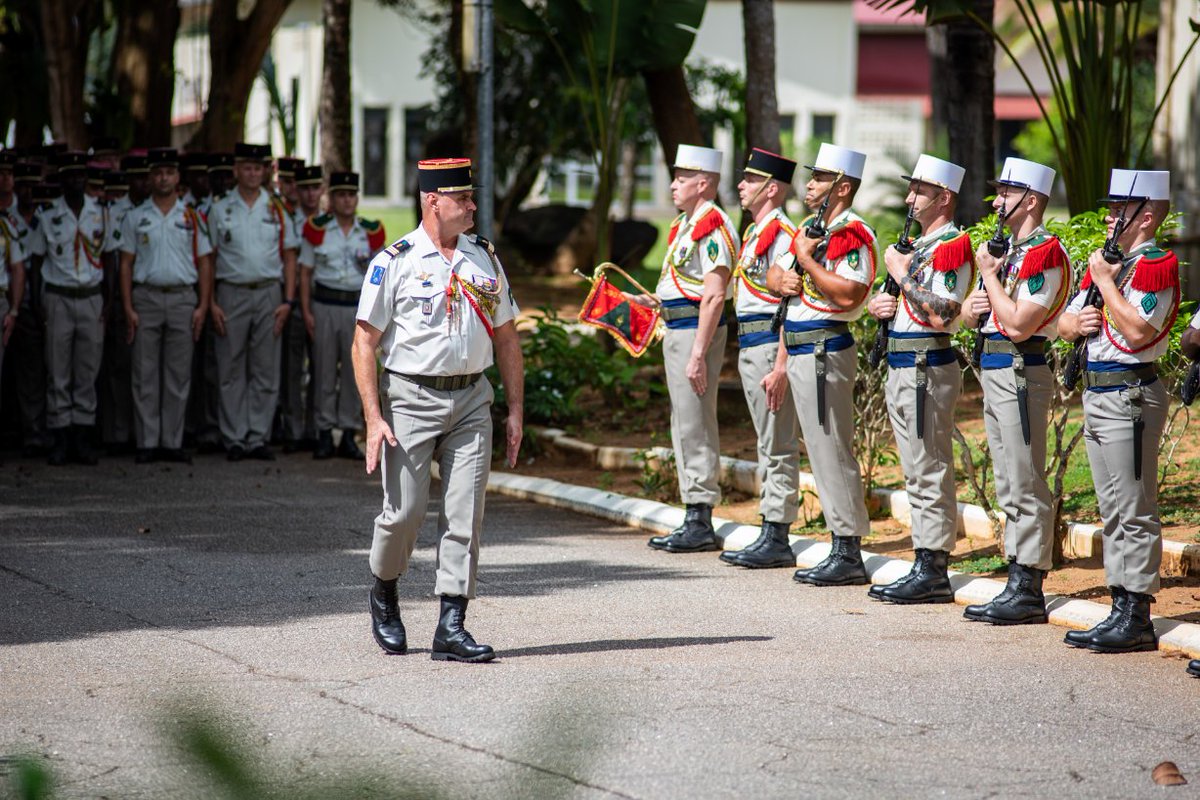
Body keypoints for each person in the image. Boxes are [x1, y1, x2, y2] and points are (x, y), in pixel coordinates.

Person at [354, 157, 523, 662]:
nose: (473, 206)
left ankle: (451, 624)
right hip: (410, 398)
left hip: (473, 398)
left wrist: (515, 408)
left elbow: (508, 337)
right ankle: (384, 590)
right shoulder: (396, 260)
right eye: (463, 199)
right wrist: (372, 417)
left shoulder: (484, 257)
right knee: (404, 514)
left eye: (472, 197)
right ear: (434, 201)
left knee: (465, 515)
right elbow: (365, 343)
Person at [1058, 169, 1179, 654]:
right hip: (1098, 392)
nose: (1109, 217)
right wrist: (1072, 322)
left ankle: (1138, 613)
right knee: (1111, 509)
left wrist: (1107, 287)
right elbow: (1065, 321)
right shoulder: (1108, 266)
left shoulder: (1154, 265)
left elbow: (1137, 333)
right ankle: (1119, 603)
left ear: (1145, 216)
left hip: (1131, 394)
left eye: (1119, 209)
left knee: (1134, 506)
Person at [960, 158, 1070, 625]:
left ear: (1030, 199)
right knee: (1007, 478)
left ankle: (1029, 585)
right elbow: (971, 315)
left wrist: (987, 275)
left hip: (1021, 367)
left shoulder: (1044, 252)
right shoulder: (1008, 249)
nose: (997, 201)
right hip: (994, 364)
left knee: (1024, 477)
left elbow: (1023, 324)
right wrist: (973, 304)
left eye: (1006, 193)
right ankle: (1016, 576)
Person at [866, 154, 974, 604]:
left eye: (919, 191)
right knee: (914, 467)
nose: (909, 198)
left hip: (927, 365)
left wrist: (899, 273)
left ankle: (933, 567)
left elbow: (943, 312)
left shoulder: (950, 247)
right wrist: (881, 305)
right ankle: (923, 558)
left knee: (929, 467)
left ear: (944, 197)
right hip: (904, 363)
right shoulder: (921, 248)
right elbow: (914, 307)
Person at [768, 143, 878, 586]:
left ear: (843, 187)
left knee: (832, 448)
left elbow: (851, 294)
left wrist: (808, 262)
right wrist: (785, 277)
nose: (809, 183)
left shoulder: (852, 233)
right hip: (799, 349)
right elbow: (773, 274)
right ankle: (840, 542)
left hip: (823, 350)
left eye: (819, 177)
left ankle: (848, 549)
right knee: (818, 449)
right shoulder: (810, 228)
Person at [636, 144, 737, 553]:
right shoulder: (684, 223)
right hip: (678, 327)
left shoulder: (712, 225)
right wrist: (651, 302)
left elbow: (713, 297)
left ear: (705, 182)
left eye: (681, 177)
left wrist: (698, 352)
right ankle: (692, 509)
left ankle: (700, 516)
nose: (673, 184)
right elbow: (686, 286)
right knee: (684, 420)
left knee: (694, 420)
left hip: (697, 330)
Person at [718, 148, 801, 568]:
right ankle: (771, 525)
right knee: (767, 440)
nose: (740, 186)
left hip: (770, 343)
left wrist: (782, 364)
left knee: (777, 441)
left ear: (772, 188)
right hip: (752, 343)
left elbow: (788, 300)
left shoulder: (781, 233)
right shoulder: (755, 233)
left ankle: (778, 532)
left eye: (749, 180)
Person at [118, 148, 213, 464]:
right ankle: (147, 442)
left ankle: (171, 442)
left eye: (169, 173)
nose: (163, 178)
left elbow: (204, 263)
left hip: (182, 298)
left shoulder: (192, 216)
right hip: (146, 297)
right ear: (150, 177)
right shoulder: (136, 216)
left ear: (177, 177)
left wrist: (202, 305)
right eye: (157, 173)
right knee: (144, 372)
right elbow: (126, 265)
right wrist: (128, 306)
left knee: (178, 373)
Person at [206, 142, 299, 461]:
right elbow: (210, 258)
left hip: (268, 293)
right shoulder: (219, 208)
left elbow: (289, 257)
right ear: (236, 171)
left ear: (265, 172)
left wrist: (288, 300)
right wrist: (213, 301)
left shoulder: (278, 209)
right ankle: (233, 437)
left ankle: (257, 437)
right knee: (230, 365)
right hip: (230, 291)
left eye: (257, 168)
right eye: (246, 167)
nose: (251, 173)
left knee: (265, 367)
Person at [28, 151, 111, 465]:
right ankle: (60, 436)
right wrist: (38, 304)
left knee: (87, 371)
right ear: (61, 180)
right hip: (59, 298)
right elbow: (36, 262)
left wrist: (111, 300)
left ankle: (83, 436)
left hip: (91, 296)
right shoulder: (47, 215)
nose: (76, 181)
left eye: (81, 175)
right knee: (58, 370)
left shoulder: (100, 213)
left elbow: (111, 259)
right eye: (70, 176)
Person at [299, 170, 384, 460]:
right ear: (331, 199)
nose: (347, 200)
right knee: (322, 368)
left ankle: (348, 432)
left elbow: (379, 275)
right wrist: (307, 310)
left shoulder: (371, 230)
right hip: (325, 303)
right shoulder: (317, 228)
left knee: (354, 371)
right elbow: (306, 272)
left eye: (352, 195)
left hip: (357, 308)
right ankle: (323, 433)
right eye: (341, 195)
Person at [279, 164, 323, 453]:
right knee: (291, 369)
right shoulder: (285, 219)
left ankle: (316, 429)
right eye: (303, 187)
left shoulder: (330, 222)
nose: (309, 193)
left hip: (322, 299)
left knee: (321, 369)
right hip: (291, 299)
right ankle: (293, 430)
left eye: (314, 187)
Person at [0, 152, 27, 405]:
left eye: (9, 173)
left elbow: (18, 268)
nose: (4, 179)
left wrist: (14, 309)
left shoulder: (8, 223)